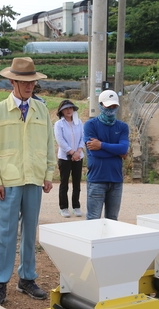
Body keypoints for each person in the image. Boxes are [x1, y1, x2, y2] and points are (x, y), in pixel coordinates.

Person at [0, 57, 56, 305]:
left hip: (34, 179)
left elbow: (49, 144)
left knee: (29, 232)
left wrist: (48, 174)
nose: (29, 86)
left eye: (33, 82)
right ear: (12, 82)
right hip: (9, 180)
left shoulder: (41, 110)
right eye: (25, 82)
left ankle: (27, 278)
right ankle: (0, 282)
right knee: (5, 232)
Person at [84, 90, 129, 220]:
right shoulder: (90, 125)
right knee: (93, 218)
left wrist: (102, 145)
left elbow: (124, 147)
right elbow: (94, 151)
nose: (111, 109)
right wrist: (117, 152)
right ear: (100, 105)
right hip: (97, 179)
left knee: (112, 219)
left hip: (116, 180)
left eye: (114, 106)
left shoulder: (122, 127)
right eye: (108, 106)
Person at [54, 99, 84, 218]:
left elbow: (83, 137)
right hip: (65, 158)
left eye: (70, 108)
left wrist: (78, 151)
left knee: (77, 183)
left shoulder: (79, 122)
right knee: (64, 183)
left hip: (78, 157)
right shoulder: (59, 124)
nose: (69, 110)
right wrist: (72, 152)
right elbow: (60, 140)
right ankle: (64, 207)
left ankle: (76, 206)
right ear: (61, 111)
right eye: (66, 108)